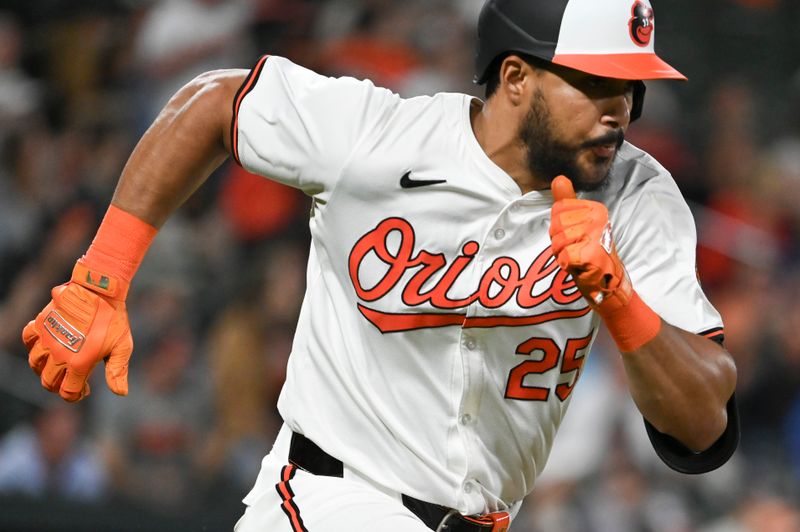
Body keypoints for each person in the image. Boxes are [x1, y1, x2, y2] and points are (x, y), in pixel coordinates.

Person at [21, 0, 739, 530]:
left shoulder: (637, 197)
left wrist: (619, 301)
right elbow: (214, 104)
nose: (621, 109)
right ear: (516, 77)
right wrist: (101, 278)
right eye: (595, 84)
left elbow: (705, 431)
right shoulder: (381, 136)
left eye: (631, 87)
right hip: (332, 502)